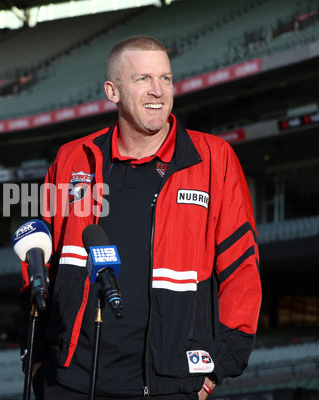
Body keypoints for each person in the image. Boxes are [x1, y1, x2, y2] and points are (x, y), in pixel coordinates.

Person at [18, 35, 262, 399]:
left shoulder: (214, 159)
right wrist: (35, 360)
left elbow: (242, 268)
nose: (158, 91)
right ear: (112, 91)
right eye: (143, 79)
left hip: (169, 384)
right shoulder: (72, 159)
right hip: (67, 381)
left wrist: (217, 367)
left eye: (165, 78)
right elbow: (36, 262)